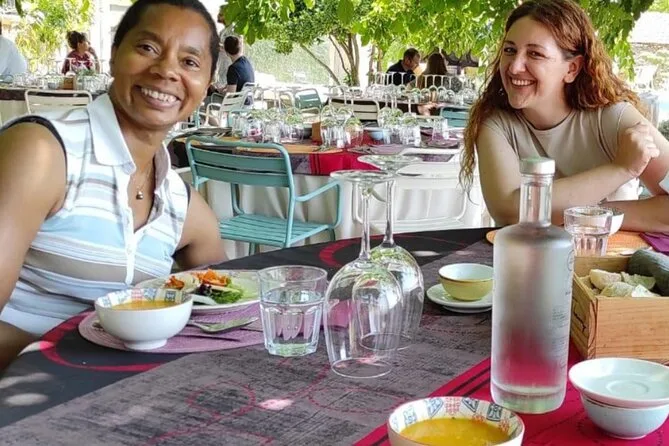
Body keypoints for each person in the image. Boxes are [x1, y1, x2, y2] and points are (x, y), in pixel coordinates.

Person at [0, 0, 226, 370]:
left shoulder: (180, 206)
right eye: (148, 48)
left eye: (189, 62)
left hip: (116, 390)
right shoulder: (44, 153)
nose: (166, 70)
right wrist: (83, 361)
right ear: (113, 55)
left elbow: (227, 312)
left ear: (206, 84)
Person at [460, 0, 669, 232]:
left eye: (535, 54)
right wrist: (620, 169)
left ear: (571, 69)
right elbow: (509, 213)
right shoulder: (495, 122)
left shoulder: (614, 118)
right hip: (526, 255)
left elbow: (525, 213)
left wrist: (590, 215)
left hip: (607, 255)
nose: (514, 67)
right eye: (510, 50)